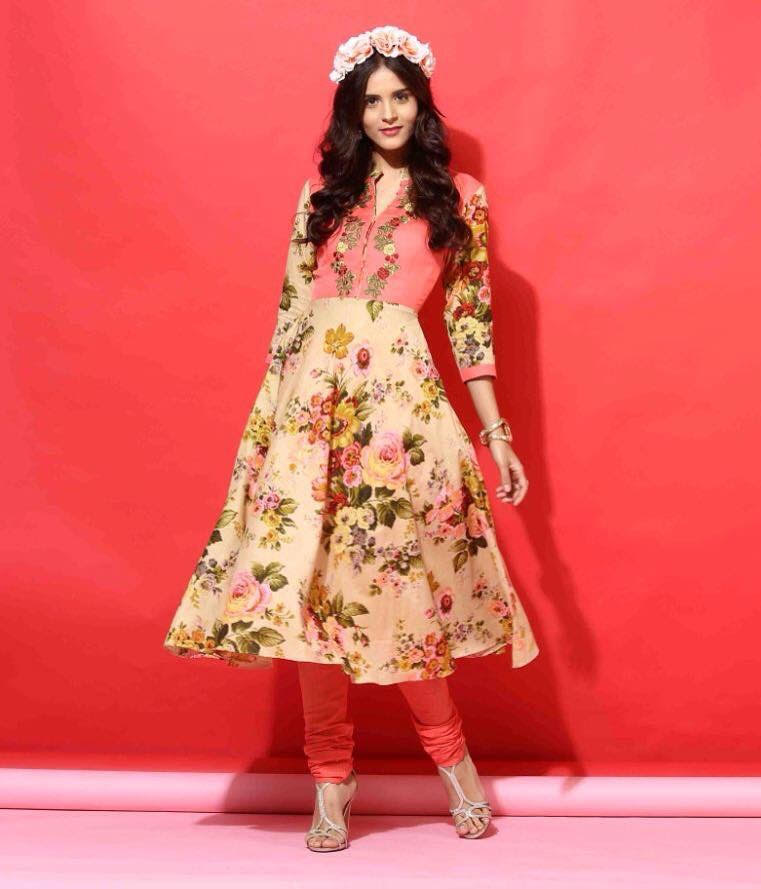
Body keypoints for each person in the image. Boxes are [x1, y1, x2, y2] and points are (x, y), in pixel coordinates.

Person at [162, 24, 540, 851]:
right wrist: (268, 434)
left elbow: (470, 323)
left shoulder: (458, 197)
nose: (387, 113)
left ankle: (455, 766)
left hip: (397, 420)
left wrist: (497, 434)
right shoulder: (321, 198)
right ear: (353, 111)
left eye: (400, 97)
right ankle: (330, 781)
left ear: (421, 103)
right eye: (372, 101)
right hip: (308, 417)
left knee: (399, 594)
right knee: (309, 599)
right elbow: (289, 321)